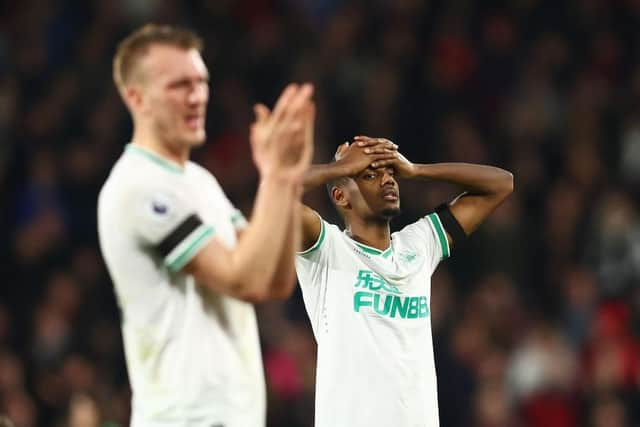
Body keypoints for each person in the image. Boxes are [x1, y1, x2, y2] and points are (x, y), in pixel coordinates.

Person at [98, 24, 315, 427]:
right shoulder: (138, 186)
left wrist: (288, 178)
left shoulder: (200, 182)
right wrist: (274, 177)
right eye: (179, 85)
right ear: (136, 98)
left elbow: (273, 280)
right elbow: (243, 278)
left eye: (201, 81)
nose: (197, 96)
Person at [295, 136, 514, 427]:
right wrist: (338, 167)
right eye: (370, 174)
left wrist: (416, 170)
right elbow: (273, 195)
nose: (387, 180)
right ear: (340, 196)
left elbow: (501, 184)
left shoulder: (418, 245)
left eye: (390, 172)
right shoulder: (327, 249)